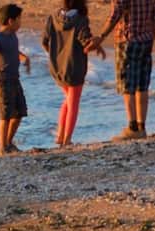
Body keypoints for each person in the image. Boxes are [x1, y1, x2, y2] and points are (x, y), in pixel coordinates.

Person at [89, 0, 155, 140]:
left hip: (127, 40)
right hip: (146, 40)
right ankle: (141, 127)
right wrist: (152, 37)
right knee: (142, 84)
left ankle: (132, 127)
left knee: (127, 85)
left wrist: (101, 37)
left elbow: (115, 14)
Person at [41, 0, 99, 148]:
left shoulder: (53, 17)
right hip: (74, 66)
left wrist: (54, 55)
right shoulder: (80, 19)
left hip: (57, 67)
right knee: (73, 103)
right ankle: (67, 139)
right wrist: (97, 43)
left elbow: (44, 41)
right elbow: (85, 42)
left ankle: (60, 136)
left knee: (67, 100)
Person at [0, 4, 32, 155]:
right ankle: (2, 148)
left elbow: (13, 51)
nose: (20, 23)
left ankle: (8, 143)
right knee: (5, 115)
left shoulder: (13, 36)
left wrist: (23, 57)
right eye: (19, 20)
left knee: (19, 112)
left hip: (14, 79)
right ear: (11, 21)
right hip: (2, 81)